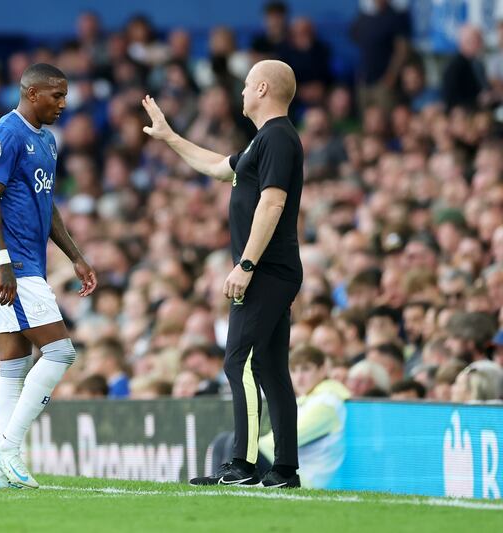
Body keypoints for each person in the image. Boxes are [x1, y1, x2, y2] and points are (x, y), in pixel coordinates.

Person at [143, 59, 304, 488]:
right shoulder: (264, 141)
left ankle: (244, 464)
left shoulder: (277, 138)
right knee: (270, 368)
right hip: (274, 270)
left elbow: (272, 203)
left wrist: (246, 264)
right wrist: (171, 137)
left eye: (248, 85)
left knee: (239, 362)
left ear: (264, 89)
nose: (242, 92)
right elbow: (217, 167)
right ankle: (285, 469)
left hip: (267, 269)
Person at [0, 63, 97, 490]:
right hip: (14, 266)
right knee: (61, 352)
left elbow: (47, 207)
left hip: (26, 262)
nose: (63, 104)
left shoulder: (46, 140)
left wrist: (76, 257)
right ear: (32, 93)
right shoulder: (6, 134)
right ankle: (8, 448)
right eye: (56, 96)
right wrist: (4, 260)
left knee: (13, 364)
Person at [258, 345, 350, 488]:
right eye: (294, 371)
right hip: (294, 473)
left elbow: (281, 442)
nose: (299, 378)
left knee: (240, 448)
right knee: (230, 444)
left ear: (322, 370)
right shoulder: (308, 399)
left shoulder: (327, 402)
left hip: (309, 481)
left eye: (306, 369)